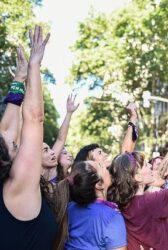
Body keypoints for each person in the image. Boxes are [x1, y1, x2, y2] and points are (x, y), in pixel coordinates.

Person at [0, 26, 57, 249]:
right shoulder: (17, 188)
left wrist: (19, 78)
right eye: (15, 145)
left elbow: (6, 131)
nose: (17, 140)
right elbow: (34, 118)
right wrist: (35, 66)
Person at [108, 139, 168, 250]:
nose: (149, 166)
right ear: (138, 177)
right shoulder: (149, 201)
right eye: (145, 165)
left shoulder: (125, 203)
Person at [54, 161, 127, 250]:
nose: (105, 166)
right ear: (99, 185)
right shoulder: (112, 217)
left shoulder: (68, 208)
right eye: (101, 165)